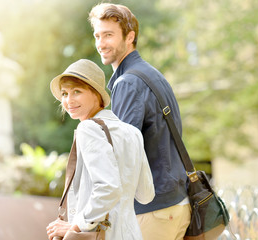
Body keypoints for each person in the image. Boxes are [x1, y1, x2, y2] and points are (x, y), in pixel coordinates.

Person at [88, 3, 191, 240]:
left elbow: (122, 158)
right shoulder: (152, 74)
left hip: (153, 211)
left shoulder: (128, 83)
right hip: (176, 205)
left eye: (109, 35)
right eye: (97, 35)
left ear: (130, 36)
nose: (101, 43)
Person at [46, 59, 155, 240]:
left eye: (77, 92)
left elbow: (108, 187)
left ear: (96, 94)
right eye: (64, 93)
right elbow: (146, 195)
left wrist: (75, 227)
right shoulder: (133, 133)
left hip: (103, 235)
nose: (68, 100)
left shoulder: (88, 128)